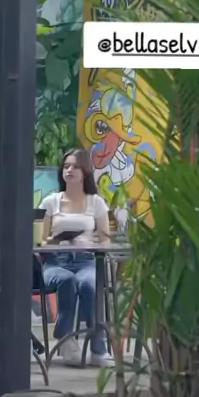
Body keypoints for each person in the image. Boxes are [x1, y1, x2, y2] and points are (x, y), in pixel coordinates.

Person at [39, 148, 113, 367]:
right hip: (56, 261)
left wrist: (92, 242)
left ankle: (98, 349)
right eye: (66, 166)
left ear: (85, 172)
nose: (69, 170)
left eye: (75, 166)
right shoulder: (51, 202)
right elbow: (40, 240)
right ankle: (66, 340)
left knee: (90, 284)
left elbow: (105, 239)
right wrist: (56, 240)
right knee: (67, 280)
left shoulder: (96, 202)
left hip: (86, 259)